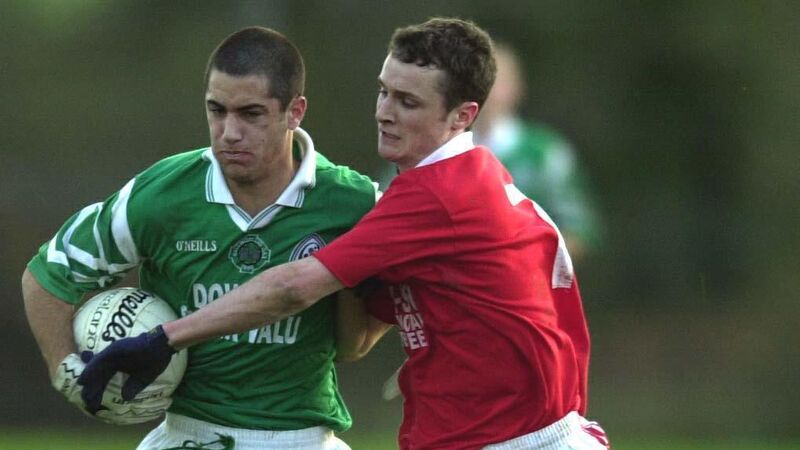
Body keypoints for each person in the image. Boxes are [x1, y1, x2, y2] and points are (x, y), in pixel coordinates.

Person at [78, 18, 610, 450]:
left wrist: (163, 339)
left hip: (511, 440)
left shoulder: (440, 194)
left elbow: (294, 289)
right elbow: (356, 337)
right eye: (384, 92)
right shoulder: (466, 179)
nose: (384, 113)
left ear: (462, 115)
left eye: (408, 102)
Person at [22, 27, 378, 450]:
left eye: (251, 114)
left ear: (294, 111)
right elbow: (48, 275)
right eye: (216, 110)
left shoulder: (353, 203)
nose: (229, 132)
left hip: (301, 438)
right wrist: (64, 368)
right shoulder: (162, 194)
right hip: (185, 434)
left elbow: (354, 345)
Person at [472, 42, 600, 263]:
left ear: (516, 88)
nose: (487, 90)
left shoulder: (544, 153)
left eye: (496, 81)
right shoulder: (442, 152)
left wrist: (528, 266)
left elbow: (577, 228)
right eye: (475, 80)